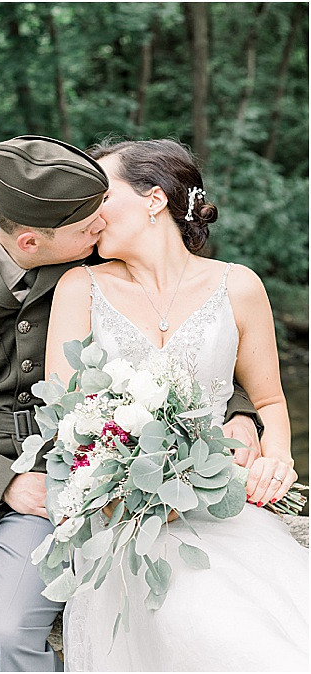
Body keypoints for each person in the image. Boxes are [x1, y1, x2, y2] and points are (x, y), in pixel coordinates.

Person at [0, 136, 264, 672]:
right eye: (88, 226)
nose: (101, 224)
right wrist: (1, 482)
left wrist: (238, 408)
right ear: (30, 242)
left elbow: (178, 334)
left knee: (8, 633)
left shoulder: (87, 241)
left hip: (75, 480)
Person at [46, 138, 308, 670]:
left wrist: (276, 461)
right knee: (207, 628)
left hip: (225, 509)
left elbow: (270, 400)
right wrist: (126, 487)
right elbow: (69, 415)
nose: (88, 213)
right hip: (127, 518)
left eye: (102, 194)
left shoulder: (239, 286)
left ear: (154, 200)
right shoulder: (80, 287)